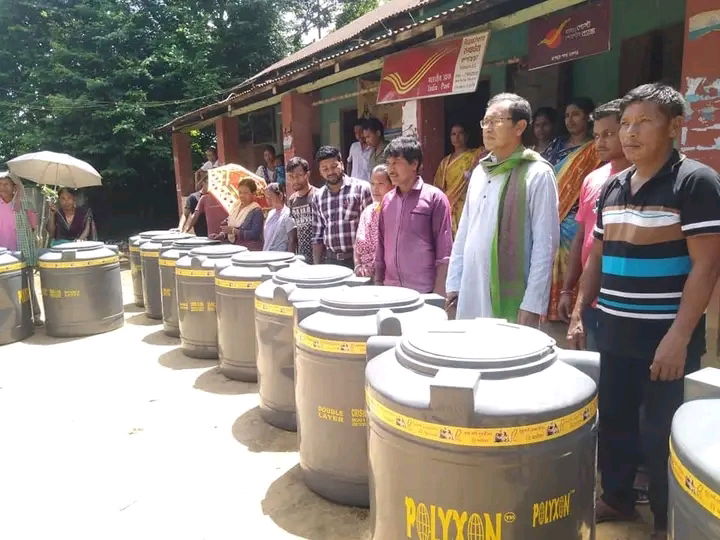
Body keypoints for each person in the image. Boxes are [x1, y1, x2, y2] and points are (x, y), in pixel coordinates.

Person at [569, 83, 720, 540]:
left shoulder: (695, 182)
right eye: (626, 124)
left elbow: (707, 263)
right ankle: (616, 498)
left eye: (644, 123)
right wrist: (579, 310)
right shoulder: (614, 185)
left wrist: (679, 336)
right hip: (612, 329)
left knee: (660, 431)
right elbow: (597, 254)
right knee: (613, 420)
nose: (630, 133)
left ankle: (664, 518)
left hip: (664, 338)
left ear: (675, 126)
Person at [445, 93, 560, 326]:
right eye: (485, 121)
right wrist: (454, 282)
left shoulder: (537, 173)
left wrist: (532, 303)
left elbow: (545, 244)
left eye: (496, 121)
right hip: (471, 287)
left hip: (513, 296)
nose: (488, 128)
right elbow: (465, 231)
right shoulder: (481, 171)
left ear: (519, 127)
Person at [559, 100, 631, 350]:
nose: (600, 142)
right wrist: (567, 289)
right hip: (590, 298)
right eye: (597, 135)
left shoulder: (642, 180)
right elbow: (582, 237)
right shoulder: (592, 179)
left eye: (609, 134)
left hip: (626, 300)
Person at [545, 97, 601, 322]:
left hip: (576, 214)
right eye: (567, 115)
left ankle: (572, 306)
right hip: (551, 211)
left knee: (574, 256)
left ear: (588, 117)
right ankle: (550, 308)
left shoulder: (595, 149)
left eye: (576, 114)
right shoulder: (556, 145)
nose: (570, 120)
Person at [375, 137, 453, 294]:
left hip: (423, 291)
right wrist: (378, 282)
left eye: (396, 162)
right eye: (388, 163)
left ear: (414, 164)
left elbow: (444, 253)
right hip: (391, 290)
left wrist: (438, 294)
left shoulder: (434, 198)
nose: (391, 169)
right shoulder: (387, 200)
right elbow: (381, 245)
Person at [311, 146, 372, 268]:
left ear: (342, 164)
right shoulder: (318, 196)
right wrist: (317, 266)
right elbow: (317, 235)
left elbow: (371, 229)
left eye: (334, 166)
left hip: (357, 261)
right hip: (330, 261)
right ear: (320, 171)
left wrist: (368, 263)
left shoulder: (362, 189)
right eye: (325, 168)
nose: (330, 172)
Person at [0, 172, 41, 324]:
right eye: (0, 184)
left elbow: (33, 226)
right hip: (3, 255)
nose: (2, 188)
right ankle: (12, 321)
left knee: (28, 284)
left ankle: (35, 315)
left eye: (6, 184)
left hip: (21, 252)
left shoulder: (25, 203)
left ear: (14, 187)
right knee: (5, 289)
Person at [433, 123, 481, 234]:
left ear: (467, 136)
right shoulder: (445, 162)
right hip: (449, 205)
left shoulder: (475, 155)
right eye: (453, 134)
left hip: (467, 203)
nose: (457, 137)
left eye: (460, 133)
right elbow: (438, 186)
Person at [354, 165, 393, 278]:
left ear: (392, 185)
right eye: (372, 184)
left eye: (381, 184)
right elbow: (357, 245)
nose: (375, 189)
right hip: (364, 277)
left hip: (388, 277)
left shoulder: (395, 211)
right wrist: (357, 266)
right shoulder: (368, 211)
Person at [286, 157, 316, 263]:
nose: (295, 180)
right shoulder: (292, 200)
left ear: (307, 175)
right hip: (302, 258)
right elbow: (292, 235)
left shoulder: (318, 195)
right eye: (291, 177)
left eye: (298, 176)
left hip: (320, 257)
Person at [221, 178, 264, 250]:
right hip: (236, 247)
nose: (242, 195)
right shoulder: (236, 207)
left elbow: (255, 234)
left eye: (245, 193)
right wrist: (222, 234)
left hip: (250, 249)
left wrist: (234, 231)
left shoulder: (256, 211)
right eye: (240, 192)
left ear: (253, 194)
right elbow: (231, 226)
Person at [263, 183, 295, 251]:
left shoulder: (288, 214)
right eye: (266, 197)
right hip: (267, 255)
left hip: (281, 257)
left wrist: (289, 258)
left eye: (270, 197)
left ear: (280, 196)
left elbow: (292, 240)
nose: (268, 200)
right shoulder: (270, 213)